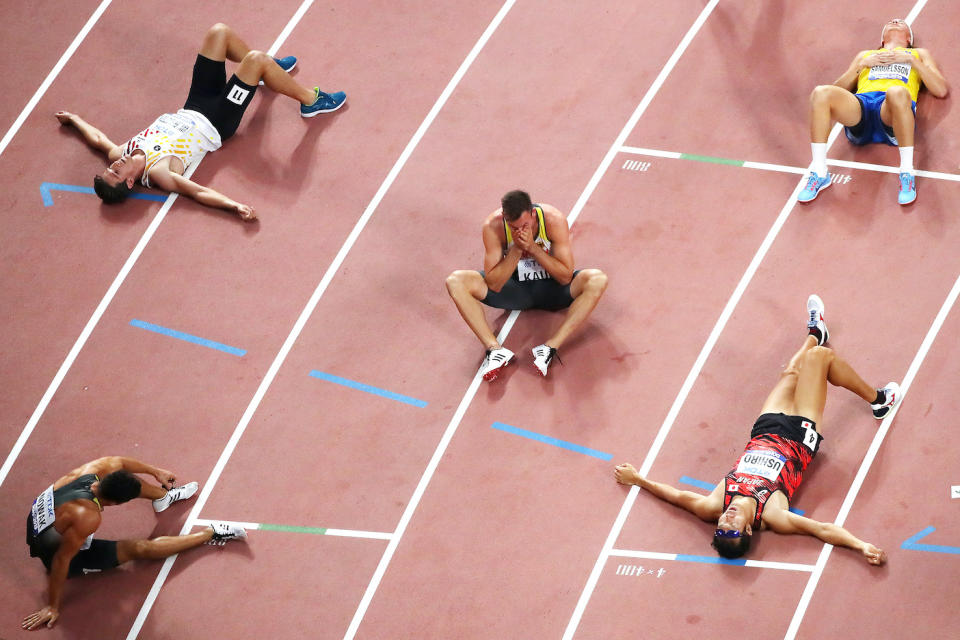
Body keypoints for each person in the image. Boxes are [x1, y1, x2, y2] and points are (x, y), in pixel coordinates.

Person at [614, 295, 901, 564]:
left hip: (765, 429)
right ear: (748, 531)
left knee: (791, 372)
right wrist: (860, 545)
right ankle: (880, 401)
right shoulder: (773, 514)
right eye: (733, 528)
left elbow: (676, 497)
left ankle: (816, 334)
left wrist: (638, 479)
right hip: (800, 434)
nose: (726, 520)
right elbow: (822, 530)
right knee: (819, 360)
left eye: (721, 526)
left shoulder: (714, 504)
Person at [55, 23, 348, 221]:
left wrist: (74, 120)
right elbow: (197, 192)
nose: (113, 166)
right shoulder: (159, 173)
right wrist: (234, 206)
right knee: (256, 59)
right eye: (116, 174)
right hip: (219, 119)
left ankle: (268, 71)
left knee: (218, 33)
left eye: (109, 169)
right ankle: (311, 101)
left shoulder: (120, 153)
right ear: (130, 181)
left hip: (194, 104)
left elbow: (96, 139)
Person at [22, 456, 246, 630]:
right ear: (116, 503)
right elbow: (62, 560)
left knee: (129, 481)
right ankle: (211, 533)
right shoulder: (88, 517)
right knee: (138, 549)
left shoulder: (90, 472)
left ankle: (162, 497)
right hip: (51, 550)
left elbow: (119, 462)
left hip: (43, 518)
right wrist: (52, 606)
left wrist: (156, 471)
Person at [445, 190, 608, 380]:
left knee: (598, 279)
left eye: (524, 225)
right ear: (504, 218)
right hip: (516, 290)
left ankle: (549, 348)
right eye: (513, 227)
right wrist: (516, 250)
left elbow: (564, 277)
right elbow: (495, 284)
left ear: (532, 214)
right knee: (455, 281)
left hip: (552, 289)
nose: (519, 231)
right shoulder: (493, 226)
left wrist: (532, 248)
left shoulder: (553, 220)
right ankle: (495, 350)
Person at [799, 18, 948, 205]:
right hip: (862, 106)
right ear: (882, 41)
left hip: (891, 111)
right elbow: (837, 89)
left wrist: (912, 61)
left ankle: (906, 172)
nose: (895, 20)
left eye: (900, 23)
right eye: (892, 22)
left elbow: (940, 89)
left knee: (897, 92)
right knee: (821, 92)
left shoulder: (918, 53)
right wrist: (861, 66)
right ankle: (820, 172)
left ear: (908, 38)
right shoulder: (865, 55)